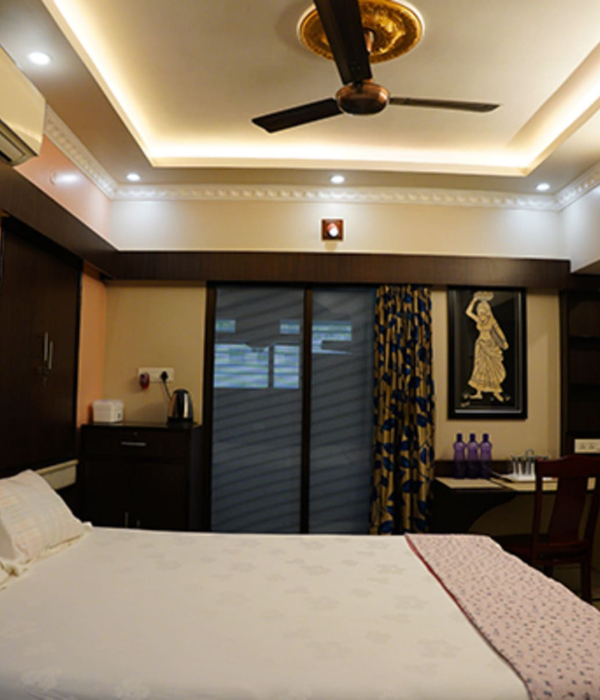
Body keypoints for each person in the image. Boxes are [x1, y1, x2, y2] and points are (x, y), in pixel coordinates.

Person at [465, 291, 508, 402]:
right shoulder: (479, 320)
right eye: (479, 311)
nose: (480, 313)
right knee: (480, 367)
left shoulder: (491, 321)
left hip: (490, 345)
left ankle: (496, 392)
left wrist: (503, 341)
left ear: (486, 311)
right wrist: (474, 300)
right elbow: (468, 312)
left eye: (482, 311)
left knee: (492, 367)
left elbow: (498, 331)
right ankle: (478, 392)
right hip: (480, 345)